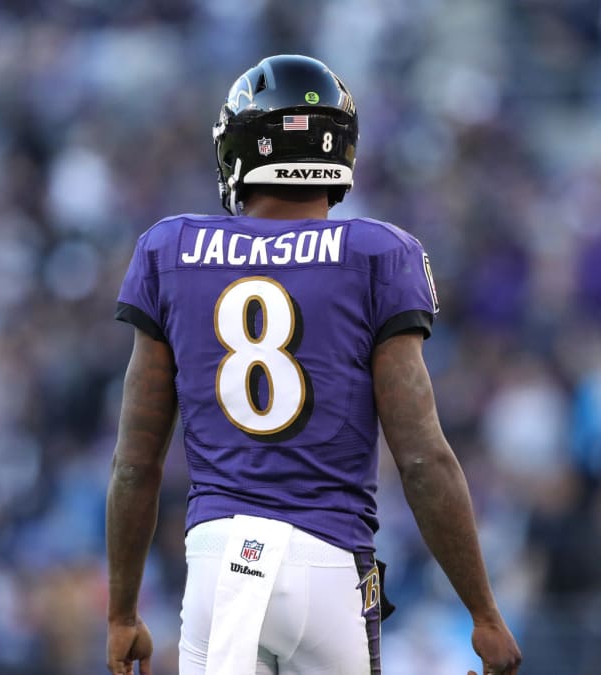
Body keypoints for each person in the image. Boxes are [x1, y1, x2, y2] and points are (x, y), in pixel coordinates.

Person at [106, 54, 521, 675]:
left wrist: (121, 612)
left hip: (221, 561)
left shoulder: (170, 248)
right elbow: (421, 457)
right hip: (329, 562)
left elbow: (136, 463)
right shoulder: (378, 252)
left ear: (240, 150)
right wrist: (483, 615)